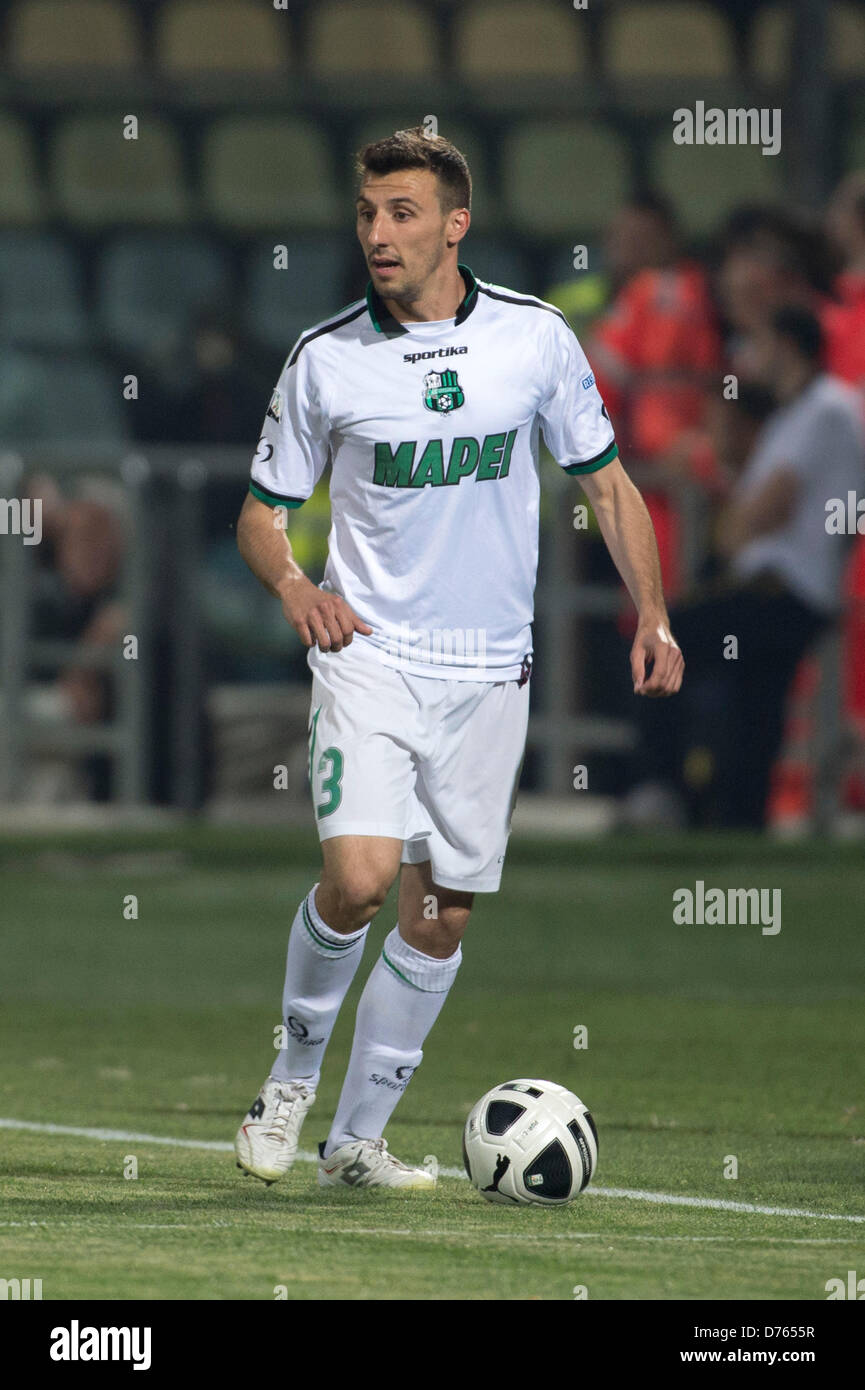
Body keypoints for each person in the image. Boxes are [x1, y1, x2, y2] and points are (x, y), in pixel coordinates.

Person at [233, 129, 682, 1191]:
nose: (378, 234)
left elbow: (606, 484)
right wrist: (298, 587)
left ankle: (356, 1142)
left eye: (400, 213)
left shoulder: (533, 340)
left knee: (438, 918)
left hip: (489, 668)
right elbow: (260, 515)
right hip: (369, 654)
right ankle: (291, 1076)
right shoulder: (326, 356)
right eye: (366, 214)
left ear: (453, 223)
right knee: (360, 879)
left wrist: (652, 616)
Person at [623, 306, 865, 829]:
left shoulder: (824, 410)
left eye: (759, 344)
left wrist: (736, 525)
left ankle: (665, 789)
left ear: (787, 346)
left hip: (785, 591)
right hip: (781, 589)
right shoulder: (799, 413)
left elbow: (760, 514)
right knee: (756, 708)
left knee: (666, 642)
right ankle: (738, 819)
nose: (748, 358)